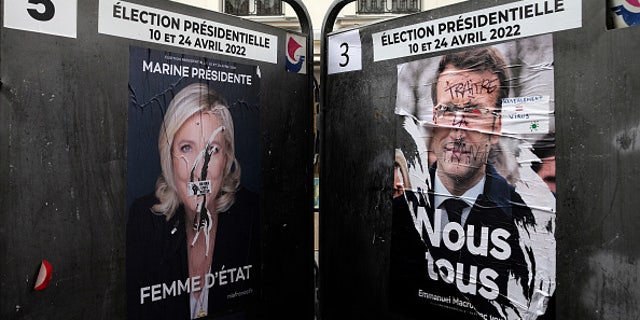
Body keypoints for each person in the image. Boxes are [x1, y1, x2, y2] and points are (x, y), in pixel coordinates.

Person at [391, 47, 537, 320]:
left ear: (495, 128)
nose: (458, 131)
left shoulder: (529, 227)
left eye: (473, 113)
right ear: (434, 119)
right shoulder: (396, 215)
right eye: (447, 110)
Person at [127, 83, 259, 319]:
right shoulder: (144, 220)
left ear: (227, 156)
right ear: (168, 156)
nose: (199, 171)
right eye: (186, 148)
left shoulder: (253, 216)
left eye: (213, 150)